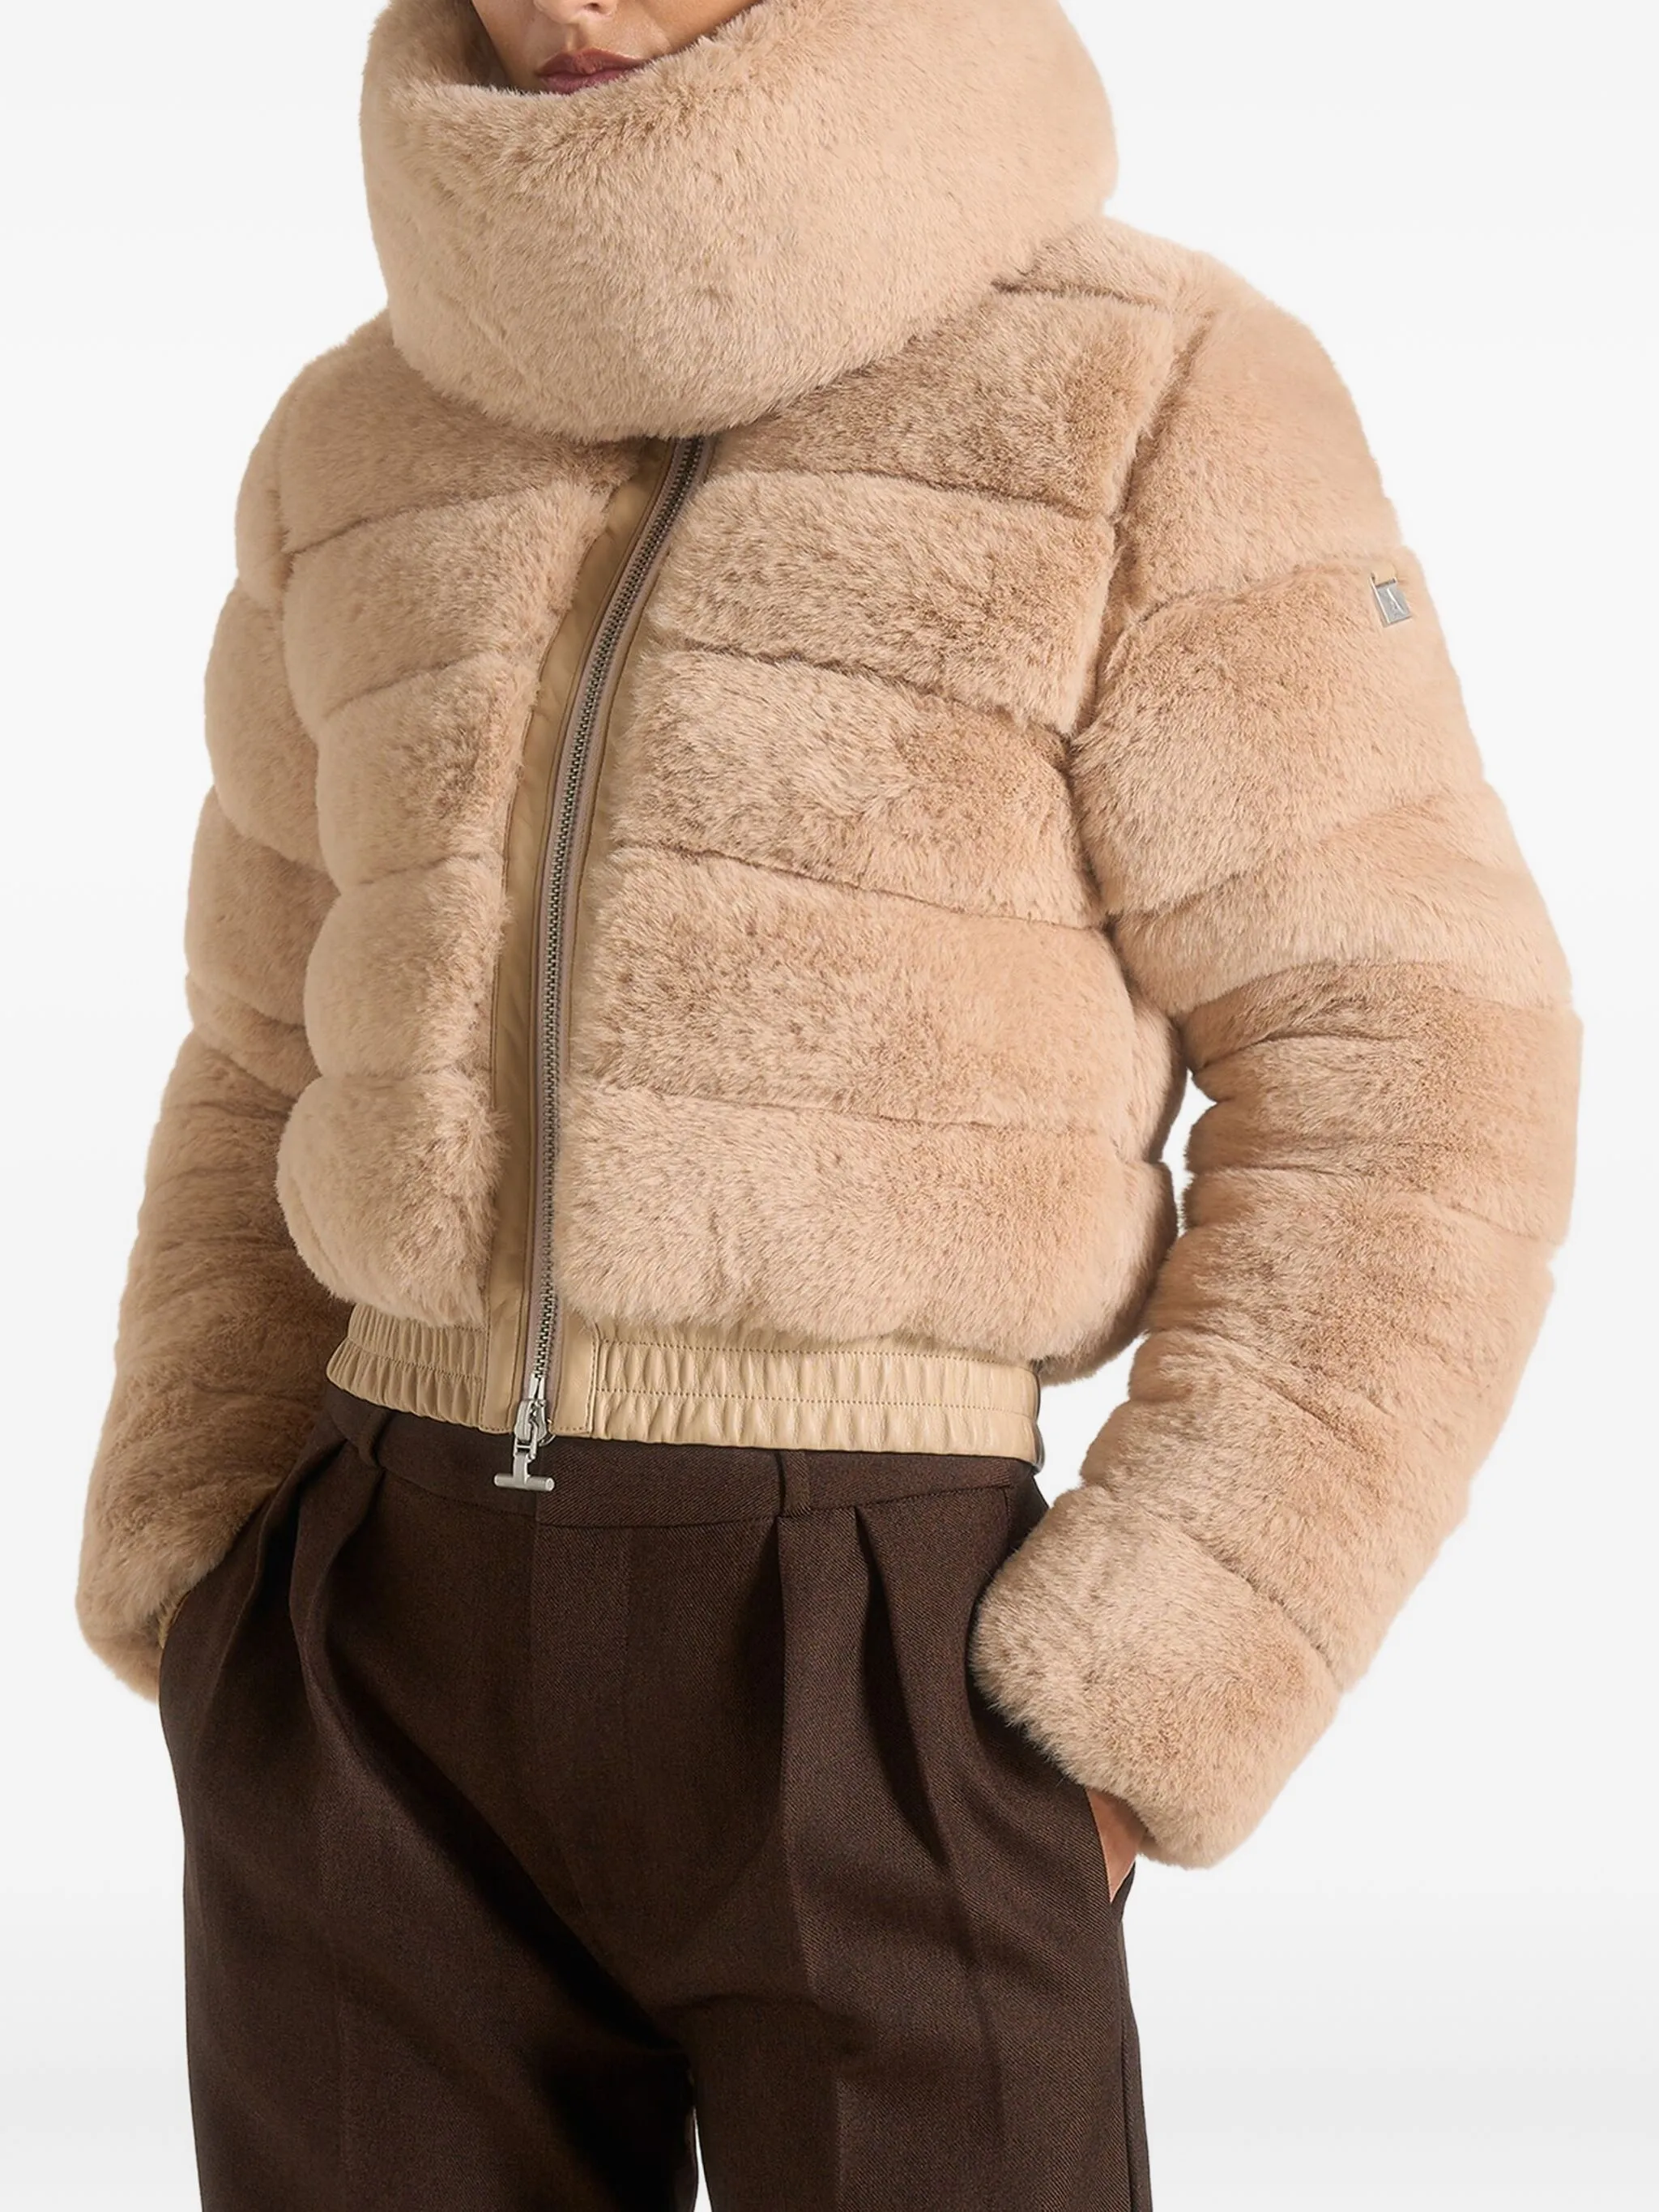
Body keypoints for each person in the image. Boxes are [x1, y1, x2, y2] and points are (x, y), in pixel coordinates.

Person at [74, 0, 1580, 2205]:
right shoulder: (356, 437)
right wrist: (203, 1556)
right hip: (373, 1638)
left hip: (883, 1643)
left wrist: (1150, 1684)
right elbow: (258, 1049)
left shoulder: (1152, 390)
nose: (566, 4)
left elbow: (1414, 1049)